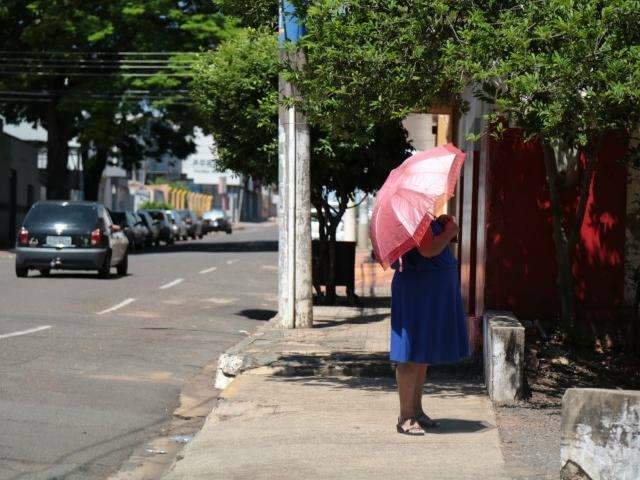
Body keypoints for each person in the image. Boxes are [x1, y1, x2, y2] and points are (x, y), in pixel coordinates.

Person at [390, 214, 470, 435]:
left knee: (421, 354)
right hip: (418, 289)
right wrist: (450, 231)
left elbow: (429, 245)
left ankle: (416, 410)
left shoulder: (422, 214)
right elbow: (428, 250)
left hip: (428, 288)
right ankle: (406, 416)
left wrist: (441, 227)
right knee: (410, 352)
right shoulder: (413, 214)